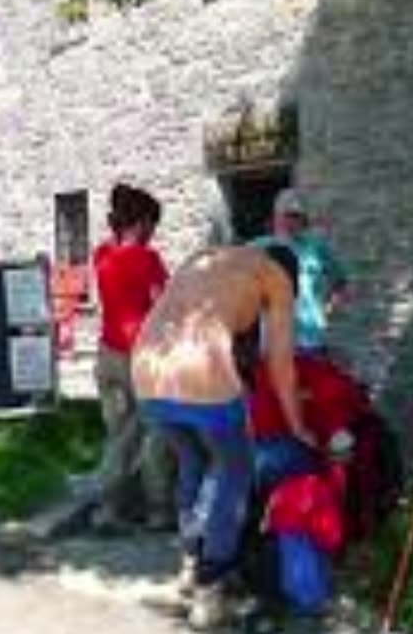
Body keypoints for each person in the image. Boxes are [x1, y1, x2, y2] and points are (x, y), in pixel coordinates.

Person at [131, 244, 314, 630]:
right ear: (290, 275)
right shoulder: (276, 275)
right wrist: (298, 427)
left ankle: (188, 568)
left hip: (146, 367)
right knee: (235, 471)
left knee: (194, 461)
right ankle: (209, 593)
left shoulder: (205, 256)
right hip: (199, 368)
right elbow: (282, 364)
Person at [90, 183, 174, 532]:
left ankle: (110, 508)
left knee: (119, 435)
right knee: (156, 432)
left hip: (106, 355)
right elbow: (163, 306)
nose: (154, 233)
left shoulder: (101, 255)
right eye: (153, 225)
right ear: (140, 223)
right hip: (139, 359)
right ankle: (157, 510)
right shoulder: (148, 260)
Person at [251, 188, 349, 355]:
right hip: (274, 342)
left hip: (312, 340)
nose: (292, 221)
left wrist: (325, 310)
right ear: (276, 217)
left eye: (296, 215)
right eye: (287, 215)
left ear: (304, 219)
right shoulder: (258, 247)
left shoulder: (316, 247)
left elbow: (341, 283)